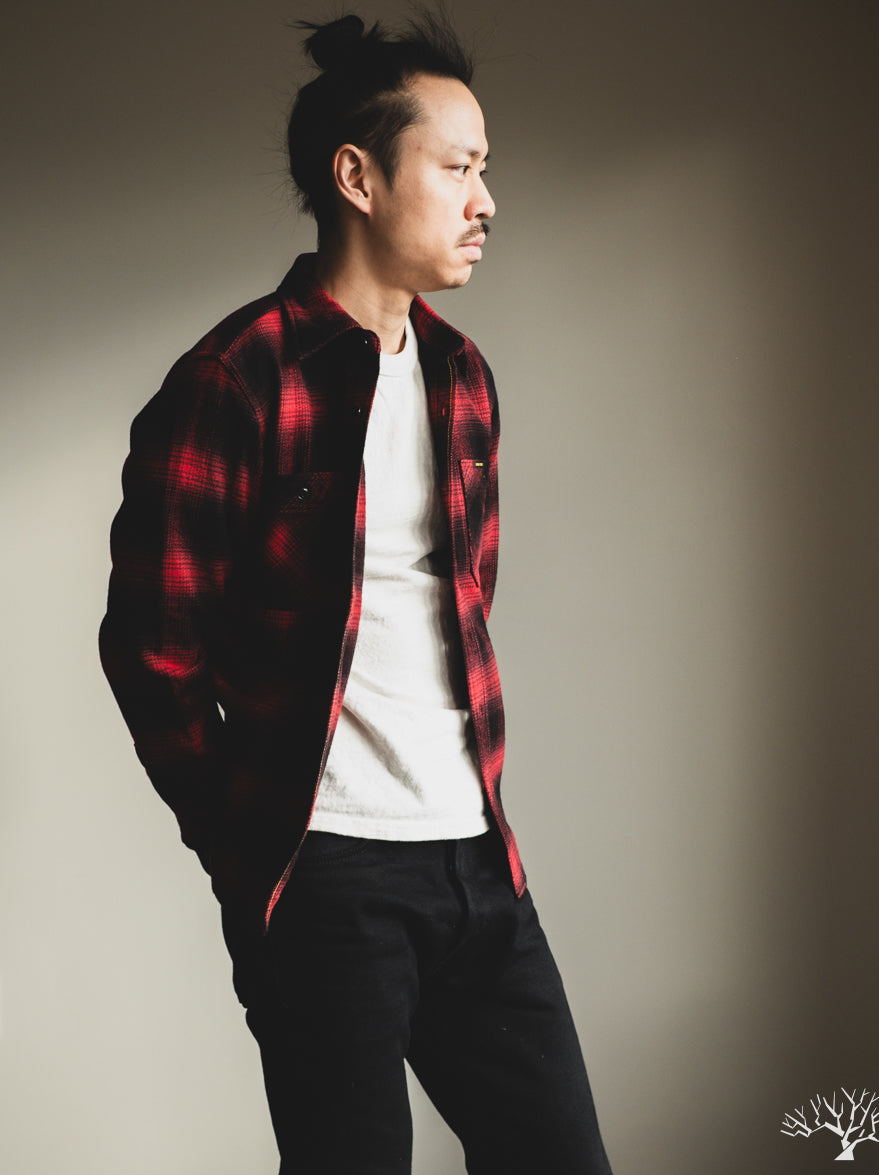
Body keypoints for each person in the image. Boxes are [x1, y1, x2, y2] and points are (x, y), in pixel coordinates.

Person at [100, 11, 612, 1174]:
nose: (486, 200)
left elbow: (458, 611)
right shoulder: (235, 380)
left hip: (476, 857)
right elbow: (152, 648)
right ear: (358, 177)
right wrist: (249, 849)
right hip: (325, 875)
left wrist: (480, 834)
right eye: (459, 167)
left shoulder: (462, 378)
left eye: (486, 169)